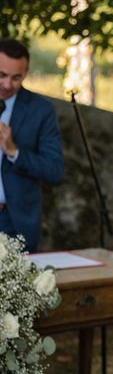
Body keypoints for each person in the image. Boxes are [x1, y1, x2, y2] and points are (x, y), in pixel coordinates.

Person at [0, 38, 64, 253]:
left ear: (26, 73)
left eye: (16, 77)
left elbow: (55, 171)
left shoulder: (41, 110)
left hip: (14, 223)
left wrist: (13, 151)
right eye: (1, 75)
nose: (8, 84)